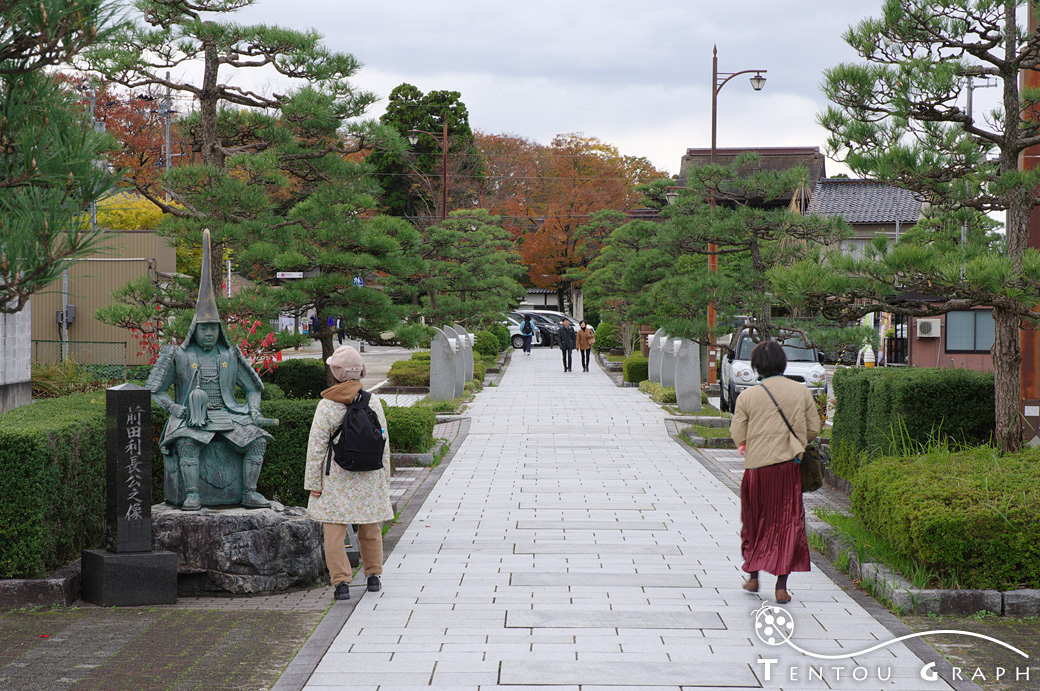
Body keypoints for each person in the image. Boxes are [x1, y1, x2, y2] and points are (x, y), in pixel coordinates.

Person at [148, 230, 275, 511]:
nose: (208, 334)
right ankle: (193, 494)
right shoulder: (179, 355)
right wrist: (174, 409)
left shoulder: (230, 355)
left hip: (228, 414)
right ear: (194, 330)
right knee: (187, 443)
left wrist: (253, 410)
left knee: (256, 440)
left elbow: (253, 387)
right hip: (191, 417)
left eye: (213, 329)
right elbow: (154, 391)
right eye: (204, 329)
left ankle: (249, 493)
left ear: (219, 330)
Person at [729, 340, 819, 605]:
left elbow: (737, 433)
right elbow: (813, 427)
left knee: (754, 521)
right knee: (786, 523)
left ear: (757, 366)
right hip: (788, 468)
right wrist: (796, 442)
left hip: (756, 469)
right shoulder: (800, 392)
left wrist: (749, 442)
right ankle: (781, 586)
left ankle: (753, 576)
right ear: (783, 363)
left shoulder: (748, 396)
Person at [304, 346, 393, 601]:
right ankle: (373, 576)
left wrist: (313, 483)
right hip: (369, 476)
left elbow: (316, 447)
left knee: (334, 533)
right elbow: (384, 441)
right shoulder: (372, 401)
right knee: (370, 528)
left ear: (334, 372)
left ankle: (341, 584)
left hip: (337, 478)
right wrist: (384, 478)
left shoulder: (327, 405)